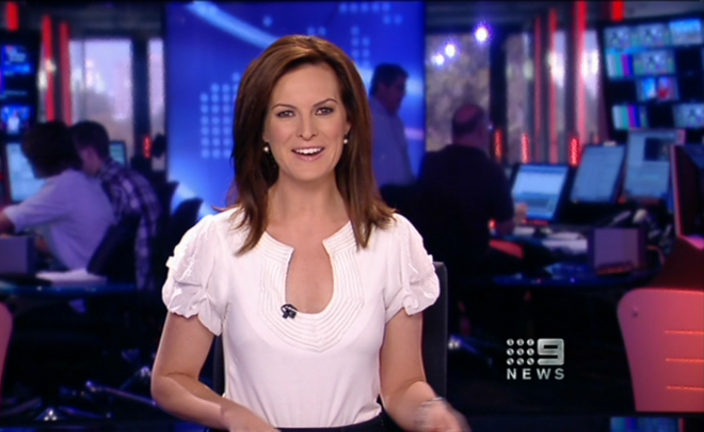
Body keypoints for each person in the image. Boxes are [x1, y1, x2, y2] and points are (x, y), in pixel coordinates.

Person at [151, 35, 470, 432]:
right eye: (286, 113)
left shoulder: (394, 240)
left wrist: (431, 414)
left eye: (323, 110)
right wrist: (231, 415)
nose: (306, 131)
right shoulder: (216, 242)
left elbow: (402, 385)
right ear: (262, 130)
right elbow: (171, 379)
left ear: (348, 121)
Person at [0, 121, 115, 270]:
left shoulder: (63, 187)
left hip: (79, 291)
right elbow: (68, 244)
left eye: (30, 158)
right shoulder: (83, 181)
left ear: (41, 158)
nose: (30, 164)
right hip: (95, 285)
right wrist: (20, 242)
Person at [416, 103, 520, 277]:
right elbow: (504, 228)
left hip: (435, 265)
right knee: (537, 256)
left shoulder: (430, 163)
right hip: (475, 263)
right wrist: (518, 219)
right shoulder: (491, 170)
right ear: (481, 132)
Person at [71, 120, 162, 292]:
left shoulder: (109, 186)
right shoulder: (125, 176)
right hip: (144, 282)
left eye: (73, 157)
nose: (71, 165)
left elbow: (98, 247)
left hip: (129, 287)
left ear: (89, 153)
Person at [370, 63, 414, 189]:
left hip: (402, 195)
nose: (403, 94)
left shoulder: (397, 121)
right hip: (376, 196)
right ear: (382, 87)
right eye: (399, 88)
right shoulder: (364, 117)